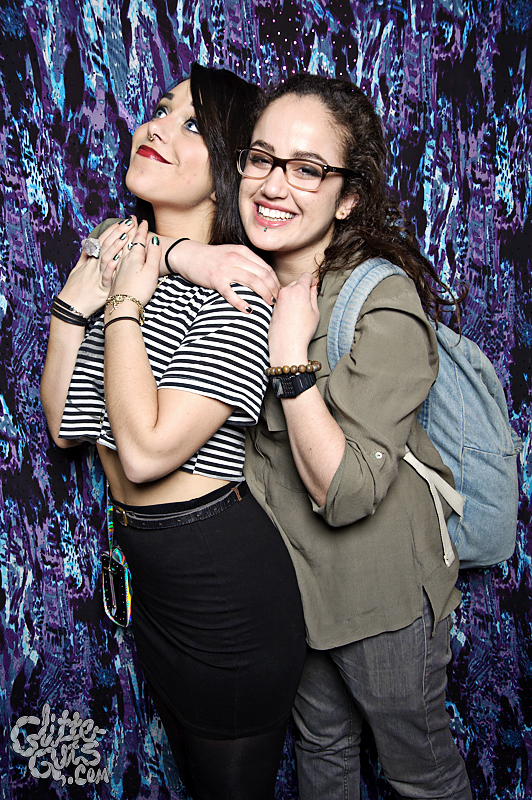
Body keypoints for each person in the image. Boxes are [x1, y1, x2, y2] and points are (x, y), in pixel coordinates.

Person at [40, 63, 306, 800]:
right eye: (160, 109)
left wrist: (122, 302)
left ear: (226, 178)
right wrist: (72, 308)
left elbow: (146, 452)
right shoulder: (125, 254)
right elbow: (64, 426)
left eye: (191, 124)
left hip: (225, 594)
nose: (156, 125)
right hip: (155, 591)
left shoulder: (239, 290)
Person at [238, 74, 472, 799]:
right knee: (322, 757)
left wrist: (289, 359)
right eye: (260, 158)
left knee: (419, 774)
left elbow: (344, 494)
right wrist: (187, 256)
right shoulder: (238, 279)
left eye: (307, 169)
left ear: (348, 198)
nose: (274, 185)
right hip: (293, 596)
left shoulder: (381, 300)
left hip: (381, 599)